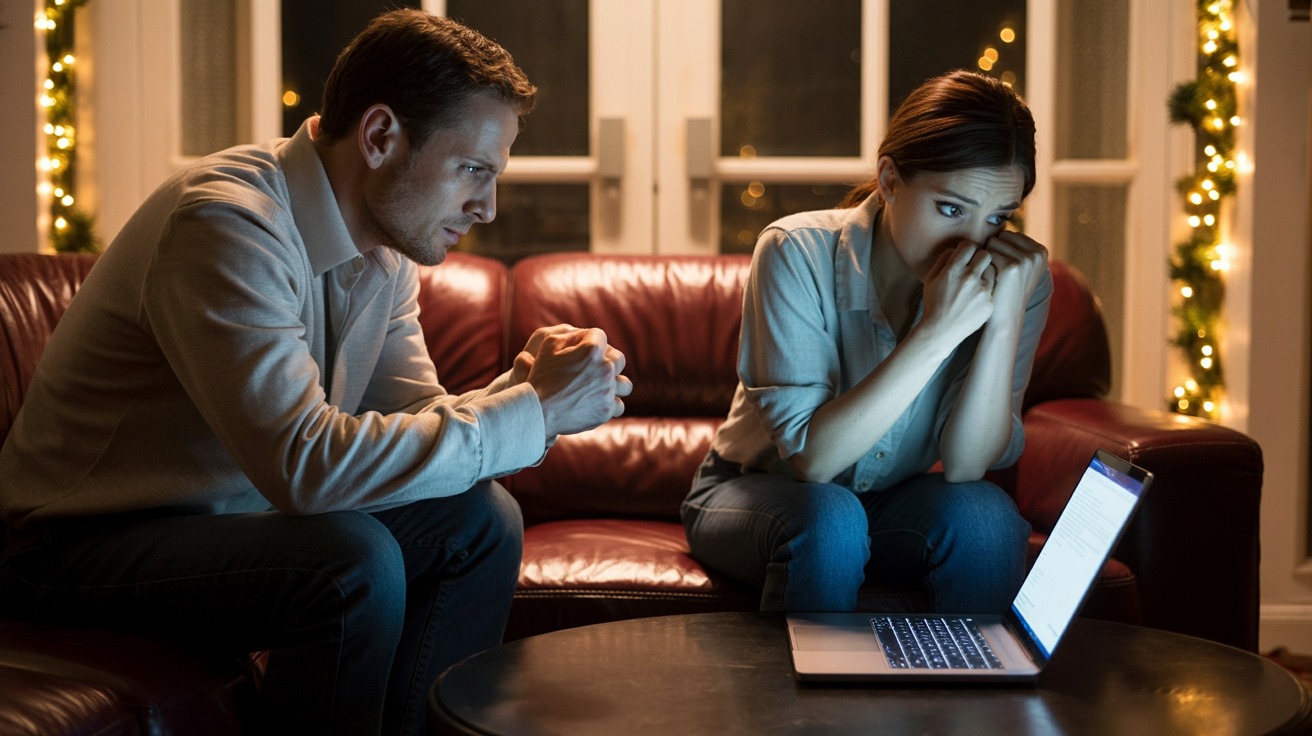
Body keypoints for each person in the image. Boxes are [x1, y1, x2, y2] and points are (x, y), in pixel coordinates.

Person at [0, 9, 630, 735]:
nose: (486, 204)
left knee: (479, 521)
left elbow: (415, 424)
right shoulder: (227, 226)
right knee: (348, 560)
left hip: (225, 528)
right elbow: (303, 468)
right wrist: (535, 413)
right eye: (471, 169)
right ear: (381, 136)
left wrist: (521, 395)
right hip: (67, 552)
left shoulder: (386, 251)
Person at [681, 70, 1051, 615]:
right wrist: (939, 328)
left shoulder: (1017, 277)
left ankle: (971, 695)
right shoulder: (795, 250)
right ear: (890, 179)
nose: (973, 245)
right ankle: (803, 701)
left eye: (997, 218)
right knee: (832, 520)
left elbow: (967, 464)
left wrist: (1001, 321)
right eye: (950, 209)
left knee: (987, 519)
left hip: (892, 503)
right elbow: (813, 461)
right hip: (756, 492)